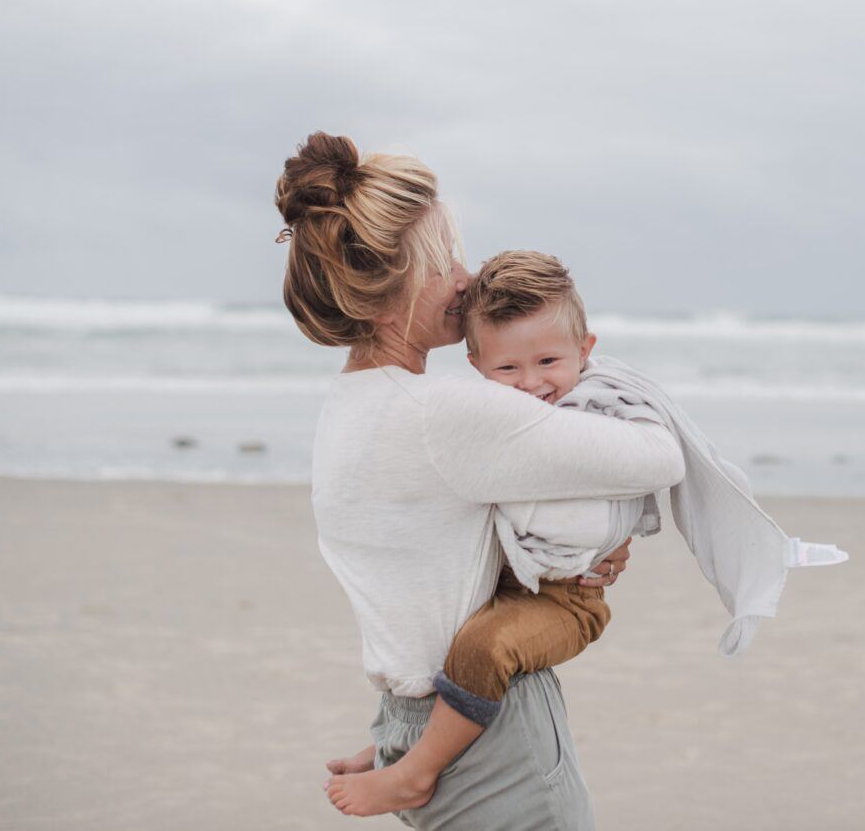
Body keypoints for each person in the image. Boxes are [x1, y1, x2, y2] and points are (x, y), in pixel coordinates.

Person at [324, 249, 849, 818]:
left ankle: (417, 771)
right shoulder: (488, 418)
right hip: (515, 588)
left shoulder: (600, 410)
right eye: (508, 369)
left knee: (482, 648)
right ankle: (399, 748)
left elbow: (644, 473)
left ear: (586, 351)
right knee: (457, 642)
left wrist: (596, 547)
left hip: (567, 600)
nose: (532, 384)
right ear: (477, 365)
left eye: (549, 360)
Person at [273, 132, 684, 831]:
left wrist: (397, 742)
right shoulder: (447, 412)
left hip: (410, 716)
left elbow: (421, 566)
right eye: (443, 262)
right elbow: (659, 458)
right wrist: (605, 535)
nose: (465, 279)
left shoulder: (347, 408)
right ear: (386, 297)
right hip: (493, 739)